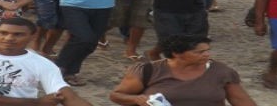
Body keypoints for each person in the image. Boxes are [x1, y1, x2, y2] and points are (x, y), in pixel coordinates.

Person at [0, 17, 92, 106]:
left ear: (32, 37)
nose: (8, 38)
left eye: (18, 34)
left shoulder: (43, 63)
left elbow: (66, 94)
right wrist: (36, 103)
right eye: (3, 33)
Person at [109, 35, 257, 106]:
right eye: (199, 52)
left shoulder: (221, 72)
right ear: (177, 53)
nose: (207, 55)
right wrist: (137, 99)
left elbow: (242, 101)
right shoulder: (148, 70)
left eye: (207, 50)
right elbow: (116, 96)